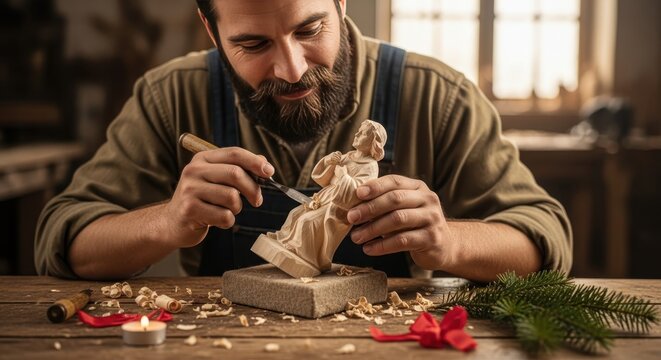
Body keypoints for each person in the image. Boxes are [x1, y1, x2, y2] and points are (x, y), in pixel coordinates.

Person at [35, 0, 572, 282]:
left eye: (309, 30)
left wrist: (448, 243)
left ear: (340, 2)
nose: (291, 69)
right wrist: (168, 221)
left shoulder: (439, 96)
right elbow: (63, 242)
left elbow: (544, 242)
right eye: (252, 43)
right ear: (210, 28)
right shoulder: (170, 95)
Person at [252, 120, 386, 277]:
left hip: (338, 208)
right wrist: (329, 162)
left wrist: (344, 177)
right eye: (359, 130)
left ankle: (305, 256)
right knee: (295, 213)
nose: (357, 134)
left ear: (373, 142)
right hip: (324, 197)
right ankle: (286, 242)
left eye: (363, 133)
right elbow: (322, 178)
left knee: (307, 221)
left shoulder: (370, 166)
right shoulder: (349, 156)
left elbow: (358, 193)